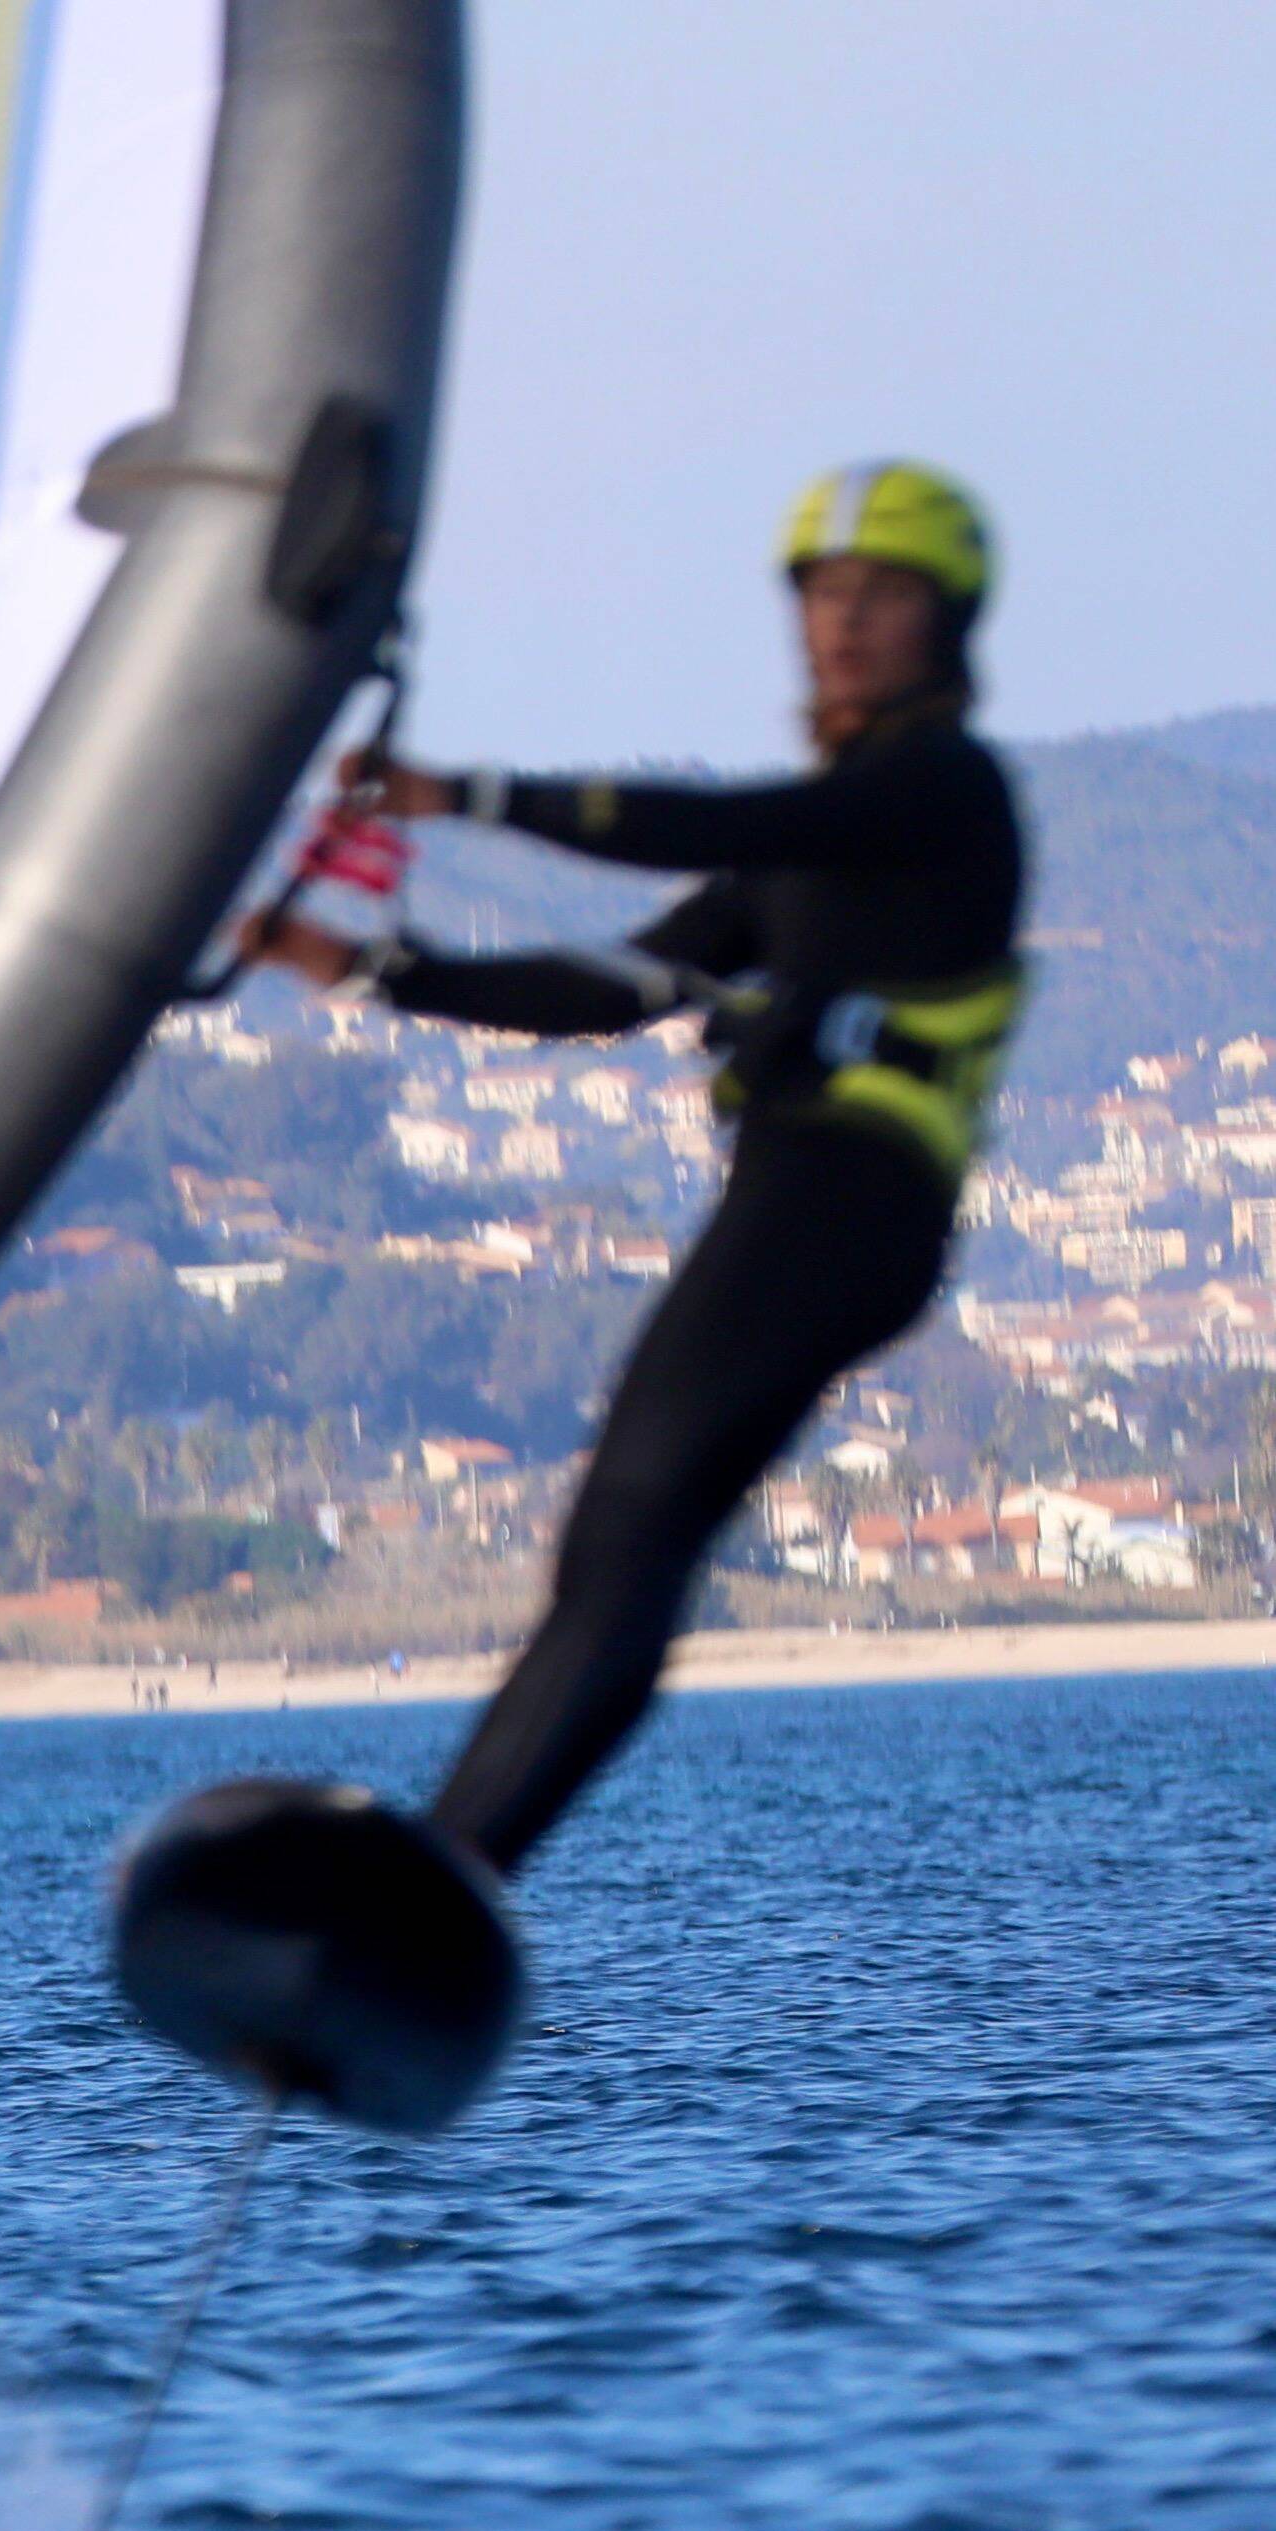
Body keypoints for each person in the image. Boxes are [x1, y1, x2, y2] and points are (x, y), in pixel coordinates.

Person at [246, 460, 1025, 1874]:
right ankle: (456, 1864)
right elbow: (614, 988)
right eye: (822, 592)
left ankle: (454, 1862)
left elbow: (720, 820)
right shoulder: (801, 854)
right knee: (617, 1551)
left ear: (944, 624)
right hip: (803, 1206)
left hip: (843, 1204)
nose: (844, 622)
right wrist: (369, 972)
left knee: (623, 1535)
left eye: (884, 595)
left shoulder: (934, 791)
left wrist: (459, 792)